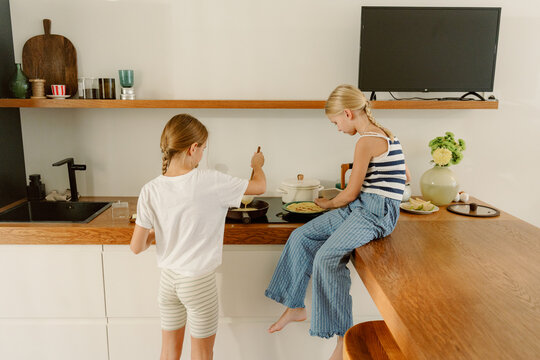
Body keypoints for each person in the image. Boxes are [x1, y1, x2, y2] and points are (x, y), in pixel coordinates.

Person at [264, 84, 411, 360]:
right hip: (362, 205)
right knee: (301, 236)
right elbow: (406, 178)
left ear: (347, 113)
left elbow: (350, 193)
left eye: (335, 123)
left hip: (375, 213)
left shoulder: (366, 141)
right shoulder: (387, 135)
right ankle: (295, 306)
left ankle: (342, 337)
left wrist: (328, 202)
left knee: (326, 258)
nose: (337, 128)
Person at [130, 114, 266, 360]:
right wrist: (257, 165)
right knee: (202, 355)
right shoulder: (209, 180)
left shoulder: (150, 189)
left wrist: (156, 232)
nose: (203, 154)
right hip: (197, 283)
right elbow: (259, 187)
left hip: (168, 284)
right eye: (203, 148)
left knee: (168, 354)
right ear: (193, 148)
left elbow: (137, 247)